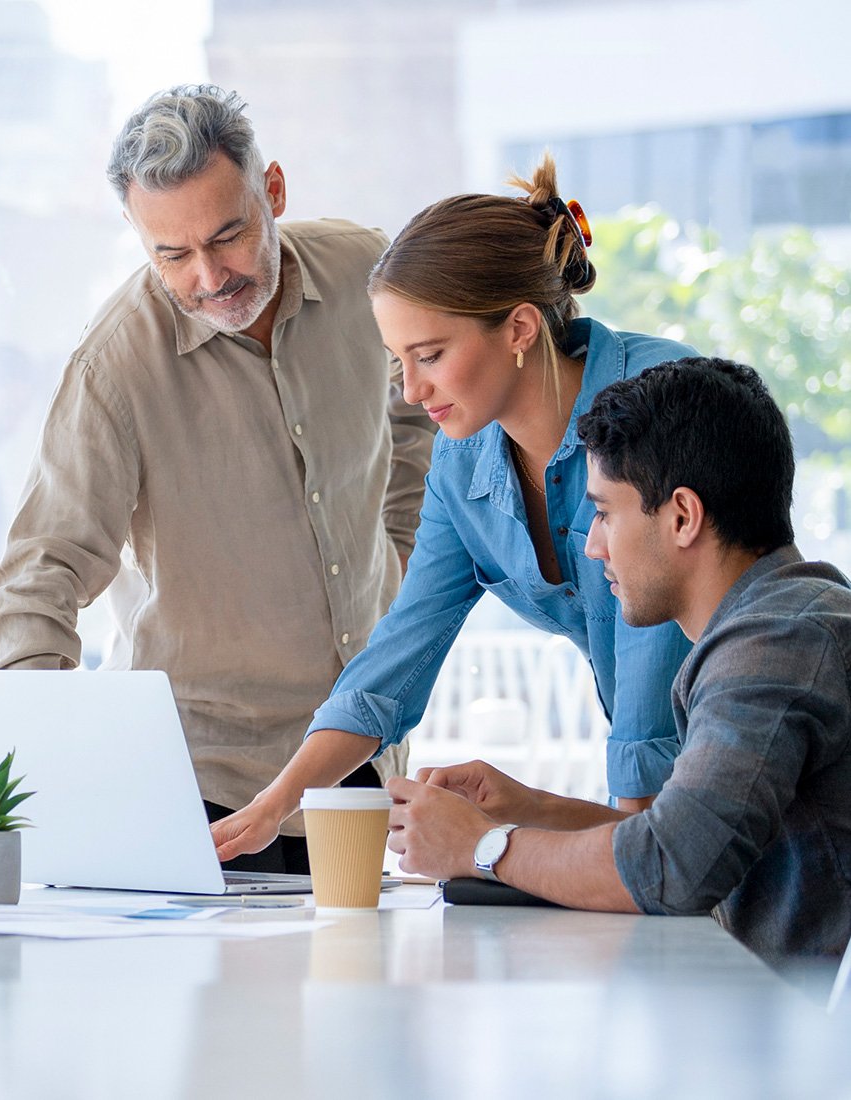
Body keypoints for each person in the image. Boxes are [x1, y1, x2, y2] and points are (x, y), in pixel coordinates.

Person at [0, 85, 435, 873]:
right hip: (204, 791)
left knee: (362, 991)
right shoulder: (115, 367)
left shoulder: (369, 269)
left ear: (275, 192)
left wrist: (396, 549)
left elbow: (418, 409)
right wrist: (65, 781)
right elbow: (35, 581)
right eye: (172, 254)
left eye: (228, 236)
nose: (209, 277)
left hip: (358, 762)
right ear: (136, 235)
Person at [212, 155, 696, 865]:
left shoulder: (658, 404)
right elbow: (395, 660)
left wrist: (599, 859)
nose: (411, 392)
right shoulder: (464, 462)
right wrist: (272, 807)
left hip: (752, 770)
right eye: (398, 362)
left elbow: (652, 688)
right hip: (673, 811)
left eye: (431, 355)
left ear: (521, 328)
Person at [387, 357, 851, 968]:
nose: (593, 545)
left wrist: (483, 846)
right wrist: (529, 810)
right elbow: (696, 838)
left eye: (605, 513)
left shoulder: (779, 640)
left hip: (799, 1042)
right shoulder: (775, 620)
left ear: (682, 516)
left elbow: (674, 866)